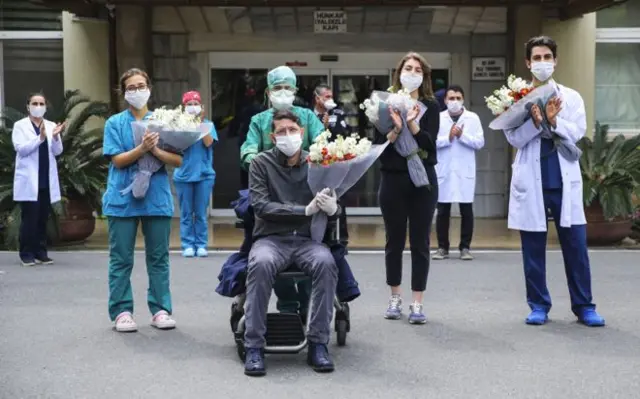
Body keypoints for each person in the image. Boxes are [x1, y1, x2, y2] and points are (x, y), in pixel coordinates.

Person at [504, 36, 605, 327]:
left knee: (576, 247)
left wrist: (553, 121)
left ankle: (584, 306)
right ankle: (538, 305)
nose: (542, 63)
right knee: (533, 249)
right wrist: (536, 123)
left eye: (547, 56)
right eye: (536, 58)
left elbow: (576, 132)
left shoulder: (570, 97)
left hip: (564, 181)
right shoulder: (517, 99)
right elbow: (513, 138)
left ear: (556, 60)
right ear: (527, 62)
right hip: (532, 182)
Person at [243, 109, 339, 376]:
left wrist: (333, 208)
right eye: (282, 132)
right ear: (273, 137)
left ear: (302, 133)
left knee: (326, 263)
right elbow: (261, 206)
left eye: (292, 130)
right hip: (271, 239)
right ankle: (254, 346)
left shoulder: (318, 162)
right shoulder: (260, 164)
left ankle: (318, 343)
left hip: (308, 240)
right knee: (260, 264)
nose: (288, 136)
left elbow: (334, 202)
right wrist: (302, 211)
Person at [240, 66, 325, 319]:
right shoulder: (259, 121)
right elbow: (248, 150)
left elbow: (324, 147)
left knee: (319, 248)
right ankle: (288, 302)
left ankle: (309, 302)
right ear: (268, 92)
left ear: (296, 91)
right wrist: (262, 163)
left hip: (305, 189)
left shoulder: (308, 117)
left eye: (288, 87)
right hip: (270, 191)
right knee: (269, 251)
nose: (283, 92)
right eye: (278, 88)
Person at [102, 68, 183, 332]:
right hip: (122, 197)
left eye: (141, 86)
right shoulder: (114, 123)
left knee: (158, 257)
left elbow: (178, 160)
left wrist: (156, 150)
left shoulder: (164, 121)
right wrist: (142, 149)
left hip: (155, 196)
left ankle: (160, 309)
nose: (137, 91)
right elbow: (117, 159)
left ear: (150, 87)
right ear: (123, 92)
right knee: (121, 257)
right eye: (131, 88)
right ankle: (122, 311)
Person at [376, 52, 440, 324]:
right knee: (394, 240)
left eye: (417, 69)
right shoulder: (384, 104)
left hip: (422, 179)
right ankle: (395, 296)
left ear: (424, 76)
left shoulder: (431, 106)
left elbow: (430, 145)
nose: (411, 73)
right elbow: (378, 144)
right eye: (407, 68)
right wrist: (395, 128)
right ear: (398, 72)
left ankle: (417, 301)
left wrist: (412, 124)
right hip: (392, 178)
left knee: (420, 241)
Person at [12, 93, 65, 267]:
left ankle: (41, 252)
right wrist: (40, 138)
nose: (38, 106)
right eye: (34, 103)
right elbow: (21, 149)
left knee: (43, 218)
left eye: (41, 103)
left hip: (45, 179)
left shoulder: (50, 125)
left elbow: (57, 152)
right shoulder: (20, 126)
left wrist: (55, 137)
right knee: (30, 219)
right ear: (28, 106)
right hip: (29, 181)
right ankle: (26, 253)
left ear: (46, 106)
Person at [433, 85, 484, 261]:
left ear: (463, 99)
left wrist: (462, 136)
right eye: (451, 98)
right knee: (443, 210)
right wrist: (448, 138)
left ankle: (465, 247)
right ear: (445, 100)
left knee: (466, 210)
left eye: (457, 98)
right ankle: (442, 247)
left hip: (464, 170)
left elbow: (480, 142)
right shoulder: (438, 118)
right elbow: (431, 143)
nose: (454, 101)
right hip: (444, 169)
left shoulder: (473, 118)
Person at [173, 90, 218, 258]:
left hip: (204, 176)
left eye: (195, 104)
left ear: (201, 106)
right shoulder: (177, 126)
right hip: (183, 175)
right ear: (183, 107)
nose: (192, 107)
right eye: (189, 104)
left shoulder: (208, 125)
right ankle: (187, 245)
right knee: (185, 213)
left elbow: (208, 143)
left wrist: (200, 123)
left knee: (200, 213)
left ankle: (200, 244)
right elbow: (174, 146)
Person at [313, 83, 349, 245]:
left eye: (331, 96)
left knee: (337, 198)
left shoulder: (338, 113)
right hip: (315, 164)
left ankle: (341, 238)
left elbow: (343, 134)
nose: (330, 99)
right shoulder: (308, 115)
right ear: (317, 98)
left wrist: (329, 127)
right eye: (326, 96)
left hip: (334, 163)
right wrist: (322, 126)